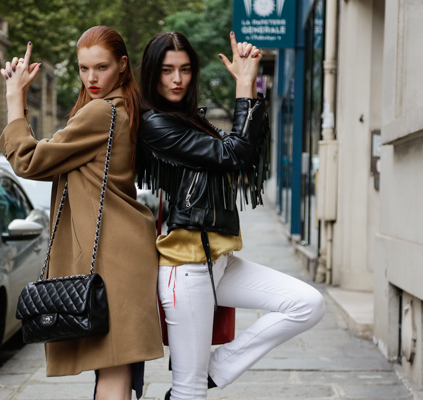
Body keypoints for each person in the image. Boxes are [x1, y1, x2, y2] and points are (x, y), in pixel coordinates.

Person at [137, 32, 326, 400]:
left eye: (185, 69)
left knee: (307, 304)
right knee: (190, 393)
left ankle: (216, 368)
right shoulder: (156, 124)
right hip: (186, 268)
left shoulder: (188, 119)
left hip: (218, 260)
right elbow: (234, 154)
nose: (177, 79)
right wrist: (244, 86)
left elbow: (244, 151)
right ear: (152, 73)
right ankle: (195, 379)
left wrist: (247, 85)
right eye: (167, 70)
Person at [0, 26, 163, 400]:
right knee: (116, 370)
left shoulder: (101, 112)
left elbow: (28, 161)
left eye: (101, 67)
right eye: (83, 68)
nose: (91, 78)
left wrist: (14, 98)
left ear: (123, 65)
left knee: (113, 373)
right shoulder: (123, 107)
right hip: (122, 254)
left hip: (112, 259)